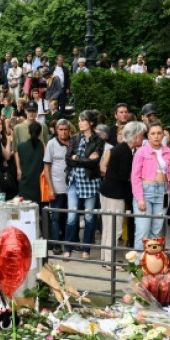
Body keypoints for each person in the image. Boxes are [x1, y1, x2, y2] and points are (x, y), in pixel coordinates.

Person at [100, 121, 145, 265]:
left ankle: (105, 258)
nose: (143, 138)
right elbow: (123, 176)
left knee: (107, 227)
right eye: (142, 136)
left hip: (106, 189)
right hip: (114, 193)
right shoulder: (126, 152)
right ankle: (109, 262)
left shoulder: (120, 148)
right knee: (115, 229)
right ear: (136, 136)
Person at [131, 122, 170, 250]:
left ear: (163, 135)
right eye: (153, 133)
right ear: (148, 135)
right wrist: (140, 198)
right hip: (146, 191)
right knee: (143, 230)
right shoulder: (141, 152)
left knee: (157, 231)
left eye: (159, 133)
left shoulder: (169, 152)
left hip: (163, 193)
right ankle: (137, 267)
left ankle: (152, 266)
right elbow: (135, 177)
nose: (156, 136)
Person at [64, 110, 105, 259]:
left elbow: (95, 162)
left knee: (89, 216)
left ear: (91, 123)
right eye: (79, 120)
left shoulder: (99, 139)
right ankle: (67, 247)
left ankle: (86, 249)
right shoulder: (74, 138)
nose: (79, 122)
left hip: (91, 181)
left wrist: (78, 158)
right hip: (75, 180)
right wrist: (84, 159)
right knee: (72, 214)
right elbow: (68, 159)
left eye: (83, 120)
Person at [44, 119, 72, 254]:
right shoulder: (51, 143)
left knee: (70, 217)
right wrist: (50, 188)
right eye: (60, 129)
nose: (63, 132)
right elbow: (46, 166)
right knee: (55, 216)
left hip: (72, 188)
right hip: (57, 187)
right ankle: (56, 244)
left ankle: (68, 243)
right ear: (56, 130)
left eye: (65, 129)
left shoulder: (74, 142)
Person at [16, 121, 45, 203]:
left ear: (28, 132)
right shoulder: (43, 147)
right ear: (40, 133)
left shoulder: (21, 146)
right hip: (39, 186)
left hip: (25, 184)